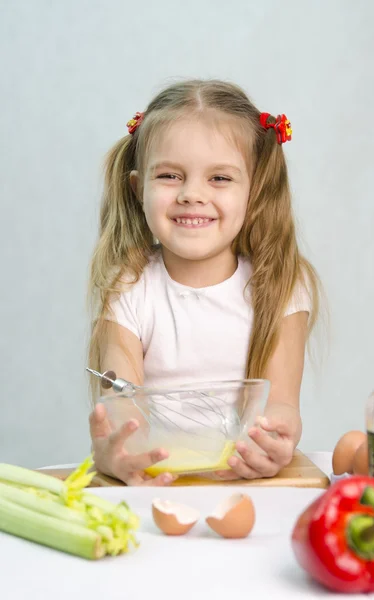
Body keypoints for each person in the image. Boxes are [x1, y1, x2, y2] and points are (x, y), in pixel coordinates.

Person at [88, 79, 321, 486]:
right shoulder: (129, 288)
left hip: (250, 490)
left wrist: (275, 440)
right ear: (138, 187)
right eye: (170, 176)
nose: (192, 195)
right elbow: (122, 406)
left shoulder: (280, 283)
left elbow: (281, 406)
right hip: (158, 487)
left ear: (255, 191)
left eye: (220, 179)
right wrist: (116, 449)